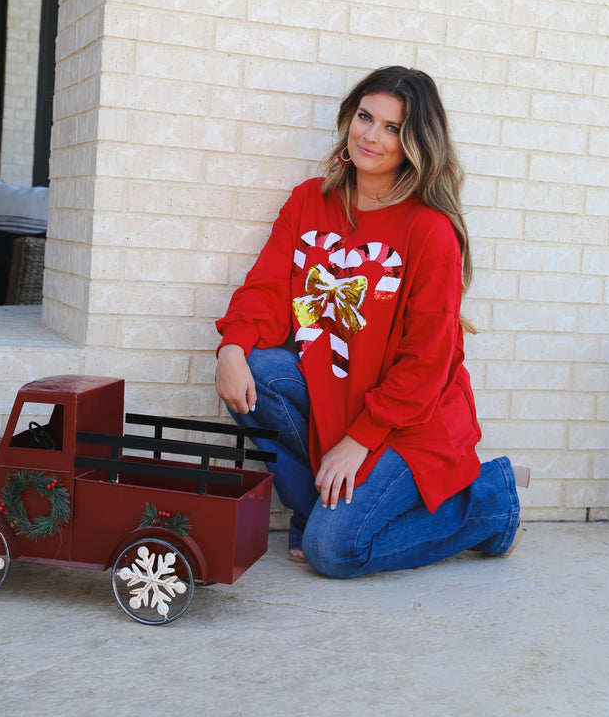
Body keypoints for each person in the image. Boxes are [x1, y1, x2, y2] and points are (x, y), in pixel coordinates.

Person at [215, 66, 528, 578]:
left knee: (333, 551)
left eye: (392, 128)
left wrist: (360, 439)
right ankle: (314, 505)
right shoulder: (308, 201)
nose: (370, 135)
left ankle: (490, 505)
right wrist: (231, 348)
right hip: (337, 393)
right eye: (365, 117)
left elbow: (427, 361)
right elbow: (269, 289)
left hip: (410, 420)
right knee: (252, 370)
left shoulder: (430, 231)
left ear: (415, 144)